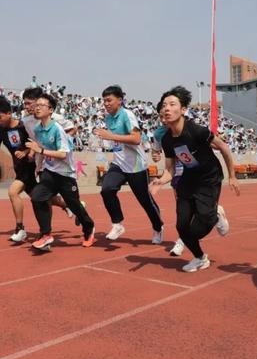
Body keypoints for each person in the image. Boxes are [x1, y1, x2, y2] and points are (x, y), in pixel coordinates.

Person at [149, 86, 239, 272]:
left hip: (209, 178)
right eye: (164, 105)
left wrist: (232, 176)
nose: (166, 108)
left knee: (198, 229)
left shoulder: (196, 131)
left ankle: (215, 215)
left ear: (183, 110)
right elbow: (170, 170)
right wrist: (160, 180)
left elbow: (224, 148)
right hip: (188, 179)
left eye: (172, 104)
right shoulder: (166, 140)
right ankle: (200, 258)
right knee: (182, 227)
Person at [93, 85, 164, 243]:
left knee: (145, 201)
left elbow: (136, 139)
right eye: (104, 101)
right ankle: (117, 223)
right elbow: (115, 140)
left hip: (136, 166)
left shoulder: (127, 115)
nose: (106, 103)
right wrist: (109, 139)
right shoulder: (108, 118)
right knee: (106, 189)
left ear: (120, 100)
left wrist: (110, 136)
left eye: (109, 100)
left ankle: (158, 227)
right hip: (118, 164)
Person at [25, 93, 95, 251]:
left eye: (41, 106)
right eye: (36, 106)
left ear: (50, 110)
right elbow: (42, 150)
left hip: (65, 175)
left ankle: (89, 227)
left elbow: (62, 154)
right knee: (37, 197)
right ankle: (46, 234)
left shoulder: (57, 129)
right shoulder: (38, 129)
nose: (37, 108)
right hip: (49, 173)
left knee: (74, 205)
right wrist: (38, 165)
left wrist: (40, 150)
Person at [0, 98, 35, 242]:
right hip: (19, 168)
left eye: (0, 117)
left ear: (9, 113)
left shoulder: (24, 126)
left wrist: (25, 152)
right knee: (41, 198)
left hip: (31, 167)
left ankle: (20, 228)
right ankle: (70, 205)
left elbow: (35, 144)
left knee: (13, 192)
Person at [151, 102, 185, 256]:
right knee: (182, 208)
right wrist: (155, 154)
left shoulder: (186, 128)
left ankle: (215, 213)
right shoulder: (159, 134)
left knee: (199, 207)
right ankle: (182, 239)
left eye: (166, 114)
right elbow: (156, 151)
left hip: (196, 171)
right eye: (161, 116)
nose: (164, 119)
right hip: (177, 172)